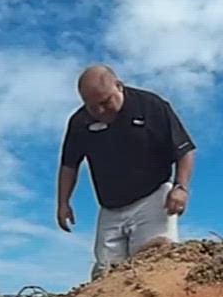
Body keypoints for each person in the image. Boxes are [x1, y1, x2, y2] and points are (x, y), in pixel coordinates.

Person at [56, 64, 196, 279]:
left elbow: (184, 150)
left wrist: (181, 187)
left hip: (153, 198)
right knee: (105, 275)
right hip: (110, 208)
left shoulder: (151, 106)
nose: (100, 112)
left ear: (119, 86)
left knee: (155, 262)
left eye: (105, 102)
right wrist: (63, 202)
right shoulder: (80, 121)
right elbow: (69, 164)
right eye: (93, 107)